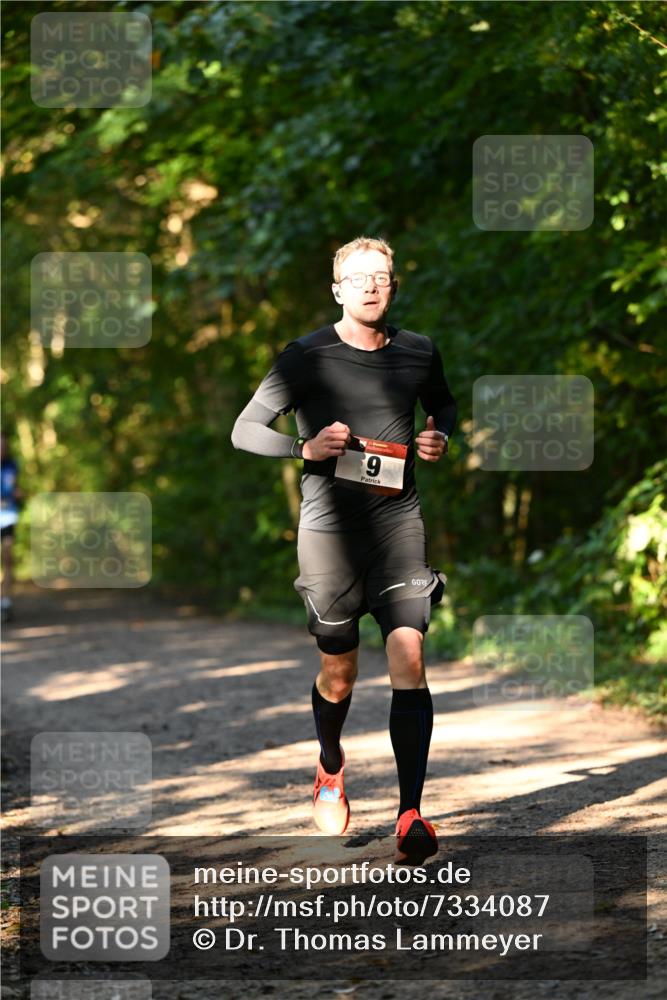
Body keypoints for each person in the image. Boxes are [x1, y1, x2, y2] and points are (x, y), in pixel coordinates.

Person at [231, 236, 456, 864]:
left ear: (394, 286)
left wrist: (439, 436)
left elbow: (441, 403)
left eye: (380, 276)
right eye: (357, 278)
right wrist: (302, 449)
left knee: (409, 654)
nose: (370, 286)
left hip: (398, 527)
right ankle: (330, 765)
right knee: (340, 672)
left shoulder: (418, 351)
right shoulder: (305, 357)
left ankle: (410, 813)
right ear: (337, 290)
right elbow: (244, 430)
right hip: (329, 537)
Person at [1, 432, 22, 623]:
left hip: (7, 515)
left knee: (7, 556)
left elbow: (15, 487)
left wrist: (17, 493)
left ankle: (5, 601)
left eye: (4, 446)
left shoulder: (12, 465)